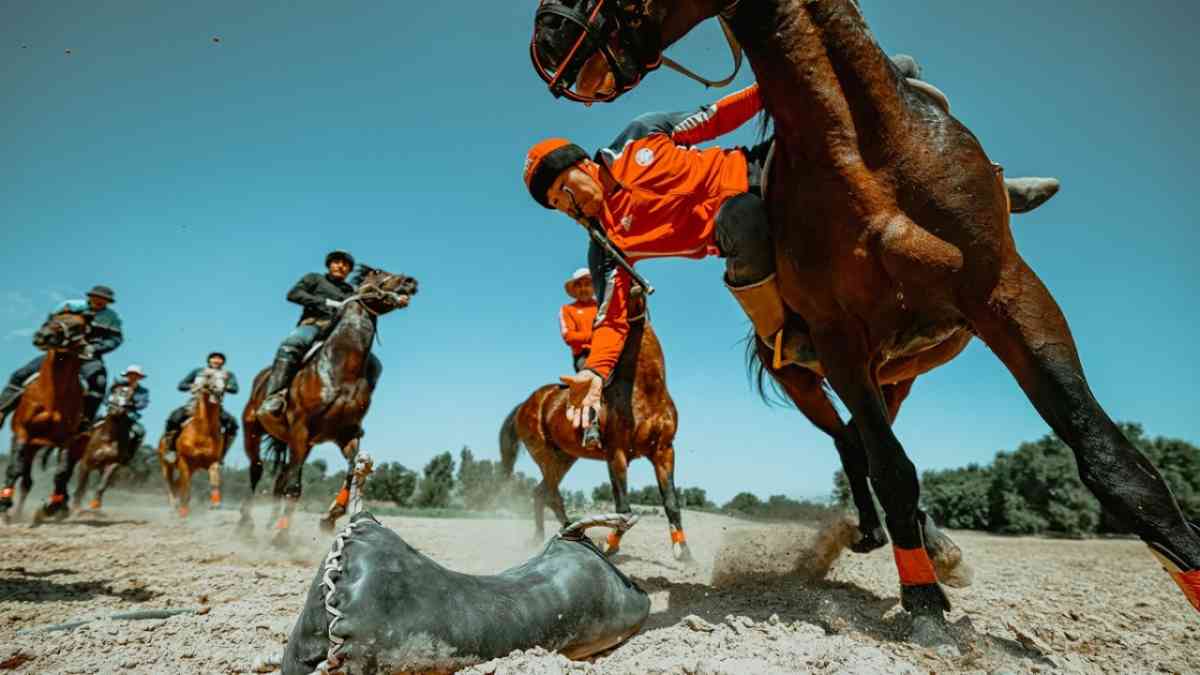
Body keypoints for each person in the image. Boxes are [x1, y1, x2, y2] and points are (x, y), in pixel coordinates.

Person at [522, 79, 1060, 427]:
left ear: (580, 166)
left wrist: (790, 82)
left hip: (764, 169)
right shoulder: (608, 242)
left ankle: (993, 192)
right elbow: (612, 315)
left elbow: (716, 116)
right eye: (556, 208)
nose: (566, 208)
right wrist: (594, 372)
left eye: (562, 193)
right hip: (744, 235)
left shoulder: (639, 137)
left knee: (889, 79)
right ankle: (787, 339)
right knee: (738, 216)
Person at [257, 250, 383, 417]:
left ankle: (357, 406)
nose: (341, 266)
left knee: (374, 364)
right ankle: (274, 396)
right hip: (313, 325)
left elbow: (368, 306)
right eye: (337, 262)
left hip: (339, 334)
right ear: (329, 265)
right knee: (291, 345)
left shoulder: (351, 291)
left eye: (345, 265)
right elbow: (293, 294)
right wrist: (325, 303)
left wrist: (395, 299)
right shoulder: (314, 279)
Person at [0, 285, 123, 430]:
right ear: (90, 297)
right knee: (21, 374)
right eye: (97, 298)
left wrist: (95, 348)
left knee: (99, 383)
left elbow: (115, 339)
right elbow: (49, 325)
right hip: (60, 352)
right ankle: (2, 409)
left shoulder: (112, 318)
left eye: (104, 300)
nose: (99, 301)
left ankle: (84, 421)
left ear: (108, 302)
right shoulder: (70, 306)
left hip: (87, 357)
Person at [160, 352, 239, 460]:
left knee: (232, 424)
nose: (216, 360)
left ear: (223, 362)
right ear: (209, 360)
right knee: (174, 418)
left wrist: (225, 387)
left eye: (219, 359)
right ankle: (171, 449)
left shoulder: (228, 374)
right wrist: (193, 385)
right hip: (194, 403)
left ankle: (221, 453)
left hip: (215, 405)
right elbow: (181, 385)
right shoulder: (198, 371)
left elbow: (235, 389)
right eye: (213, 358)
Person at [559, 268, 597, 372]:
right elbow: (569, 337)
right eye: (579, 285)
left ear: (594, 287)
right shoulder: (567, 309)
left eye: (587, 284)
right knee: (589, 378)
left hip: (609, 352)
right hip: (584, 355)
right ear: (574, 290)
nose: (583, 289)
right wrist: (594, 336)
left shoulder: (603, 306)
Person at [106, 364, 150, 452]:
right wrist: (110, 402)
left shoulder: (143, 391)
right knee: (92, 426)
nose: (132, 377)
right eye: (131, 374)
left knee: (139, 432)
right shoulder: (117, 386)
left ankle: (128, 454)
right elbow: (106, 398)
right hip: (112, 413)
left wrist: (132, 404)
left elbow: (143, 403)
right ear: (127, 376)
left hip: (129, 417)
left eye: (135, 375)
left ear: (139, 377)